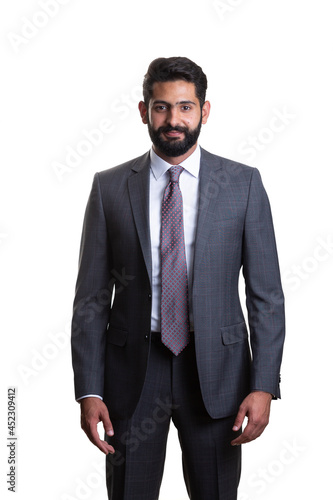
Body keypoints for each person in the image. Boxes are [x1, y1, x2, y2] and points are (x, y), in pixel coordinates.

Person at [71, 56, 285, 500]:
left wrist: (263, 384)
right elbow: (91, 298)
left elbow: (266, 297)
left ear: (204, 111)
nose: (173, 119)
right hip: (132, 375)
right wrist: (88, 390)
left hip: (218, 375)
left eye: (185, 107)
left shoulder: (243, 184)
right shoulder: (109, 188)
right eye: (162, 107)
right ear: (144, 111)